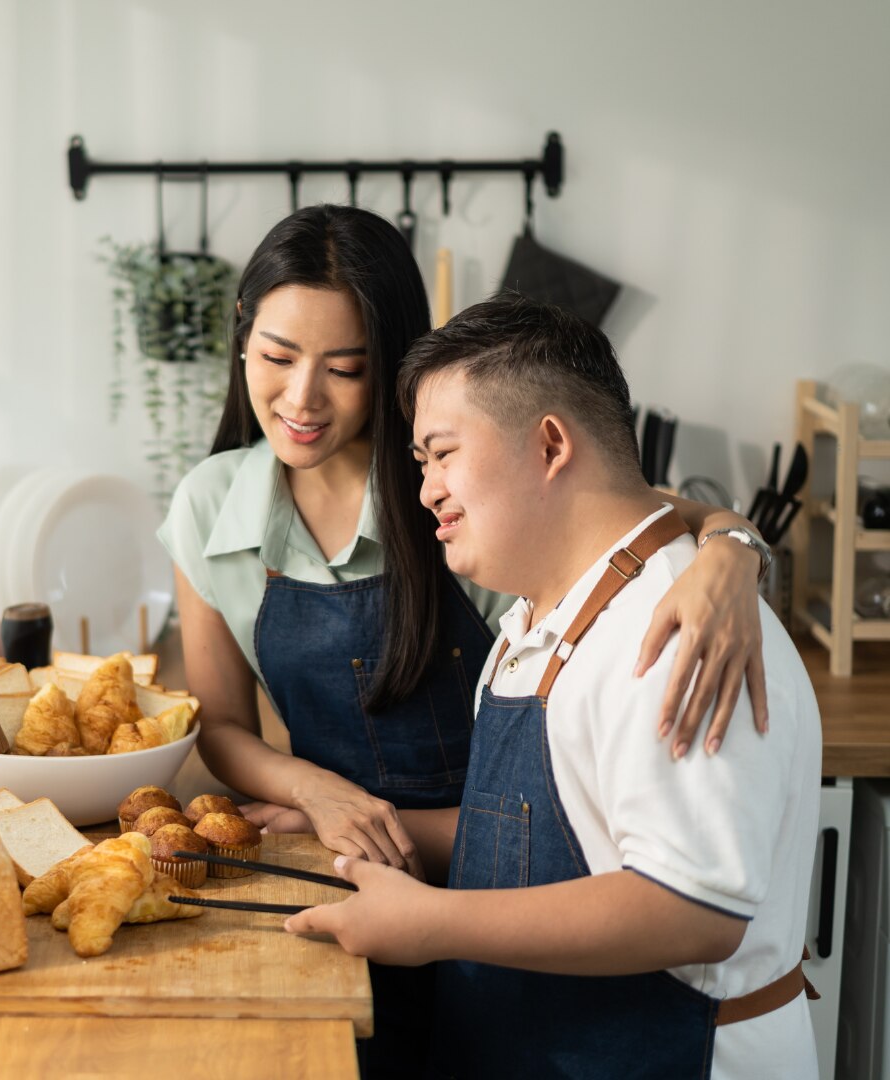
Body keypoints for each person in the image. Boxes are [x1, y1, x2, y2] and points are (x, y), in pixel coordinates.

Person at [160, 204, 772, 1078]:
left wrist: (733, 546)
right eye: (277, 357)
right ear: (242, 342)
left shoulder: (459, 492)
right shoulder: (209, 507)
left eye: (345, 368)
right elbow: (219, 725)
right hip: (341, 862)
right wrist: (322, 796)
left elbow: (626, 512)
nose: (301, 399)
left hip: (514, 877)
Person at [284, 295, 822, 1080]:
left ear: (550, 444)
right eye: (420, 463)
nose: (426, 489)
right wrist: (341, 820)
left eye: (441, 453)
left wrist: (434, 922)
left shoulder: (675, 629)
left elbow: (694, 911)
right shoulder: (549, 612)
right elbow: (538, 838)